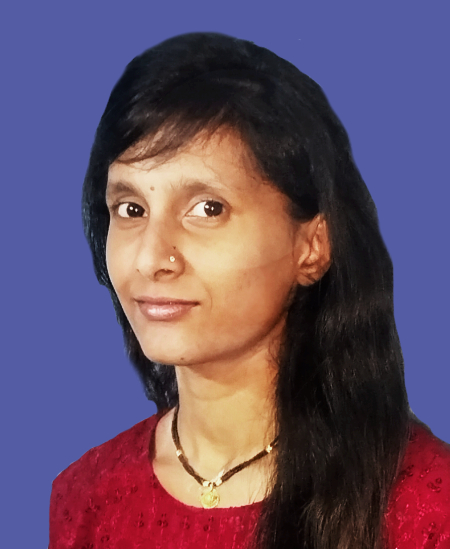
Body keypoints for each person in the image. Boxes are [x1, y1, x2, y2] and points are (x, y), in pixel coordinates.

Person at [48, 32, 450, 549]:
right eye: (131, 209)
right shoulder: (87, 498)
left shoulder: (423, 508)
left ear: (312, 246)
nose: (150, 258)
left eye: (207, 208)